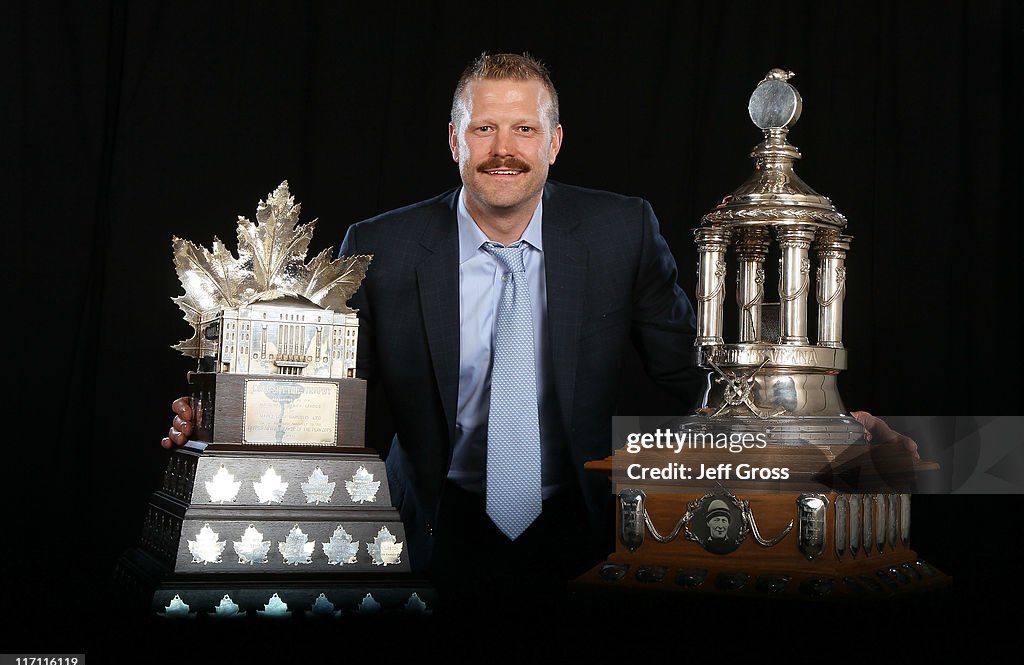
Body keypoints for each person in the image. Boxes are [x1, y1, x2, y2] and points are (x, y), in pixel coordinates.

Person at [162, 51, 918, 610]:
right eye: (484, 127)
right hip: (425, 525)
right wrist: (225, 414)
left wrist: (816, 424)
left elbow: (695, 374)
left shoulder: (621, 231)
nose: (504, 149)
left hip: (583, 531)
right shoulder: (382, 247)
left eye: (525, 128)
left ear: (553, 143)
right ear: (455, 141)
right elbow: (318, 387)